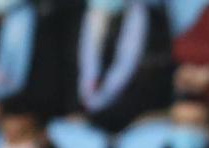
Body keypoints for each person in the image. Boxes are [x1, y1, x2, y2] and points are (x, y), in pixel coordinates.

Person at [72, 0, 174, 132]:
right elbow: (65, 69)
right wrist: (74, 110)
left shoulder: (153, 20)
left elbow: (155, 75)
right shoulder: (75, 15)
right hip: (81, 113)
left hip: (133, 117)